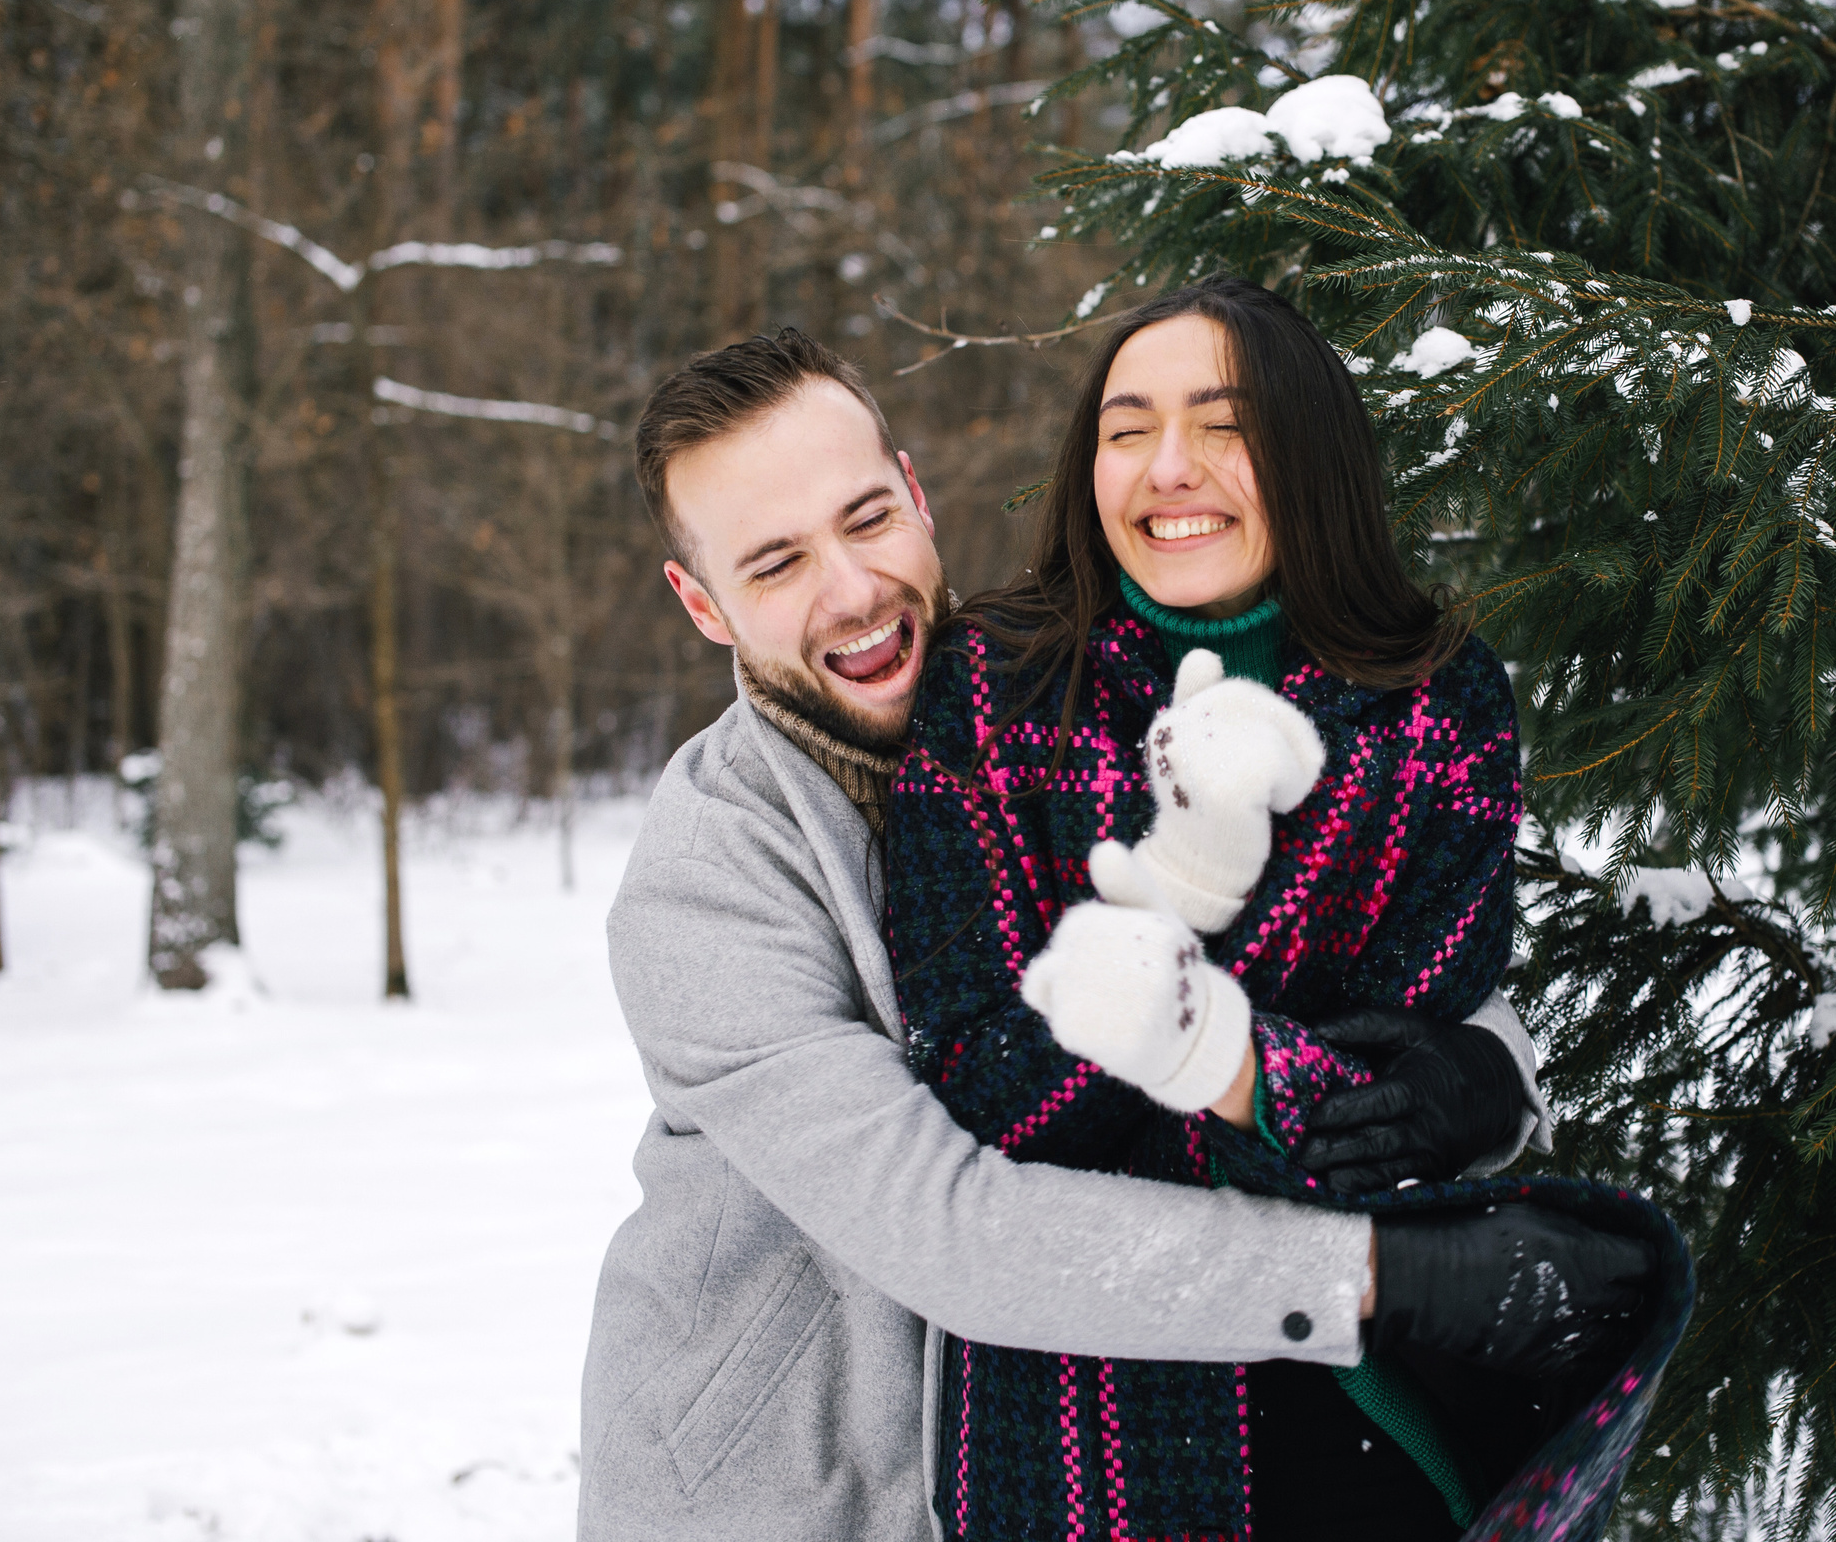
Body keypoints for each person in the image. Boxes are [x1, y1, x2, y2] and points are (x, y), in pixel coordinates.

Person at [578, 329, 1623, 1542]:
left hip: (1048, 1422)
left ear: (915, 492)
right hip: (794, 1485)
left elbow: (1272, 945)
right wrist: (1380, 1279)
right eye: (776, 565)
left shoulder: (1052, 712)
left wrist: (1489, 1067)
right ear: (701, 604)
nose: (853, 592)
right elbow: (951, 1229)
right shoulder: (704, 892)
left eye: (866, 521)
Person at [885, 280, 1692, 1542]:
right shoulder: (995, 688)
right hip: (1083, 1419)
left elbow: (1399, 1096)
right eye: (1125, 426)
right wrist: (1262, 1075)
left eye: (1223, 423)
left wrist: (1190, 1050)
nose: (1167, 469)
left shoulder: (1439, 699)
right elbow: (974, 1074)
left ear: (1310, 453)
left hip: (1371, 1403)